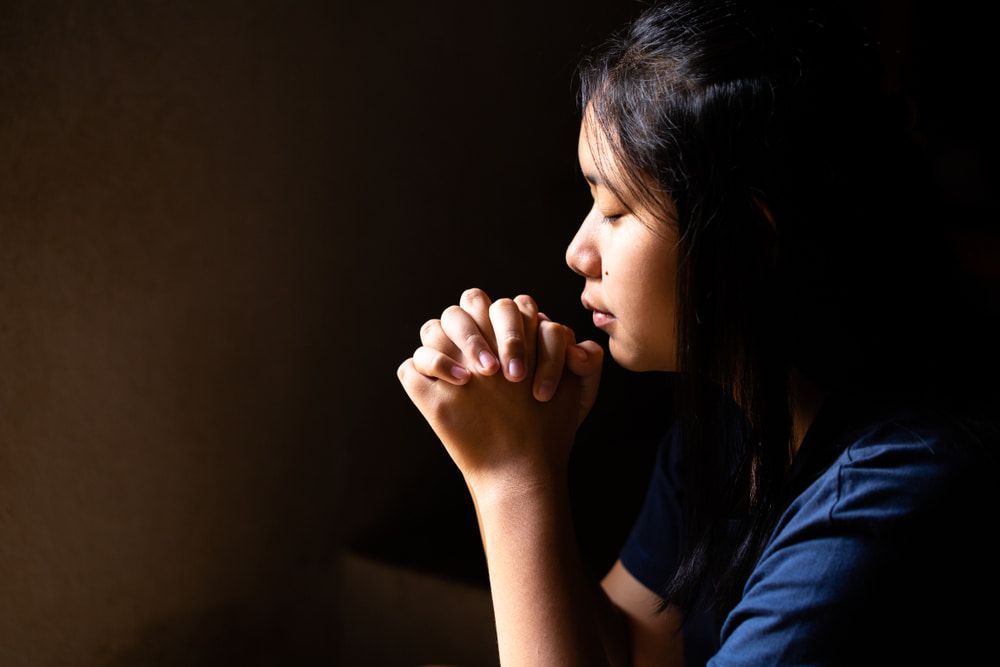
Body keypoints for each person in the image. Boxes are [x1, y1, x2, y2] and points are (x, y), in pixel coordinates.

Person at [396, 0, 999, 664]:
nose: (576, 250)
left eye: (617, 209)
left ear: (744, 243)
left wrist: (510, 480)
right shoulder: (729, 430)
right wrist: (522, 451)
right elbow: (635, 648)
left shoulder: (880, 497)